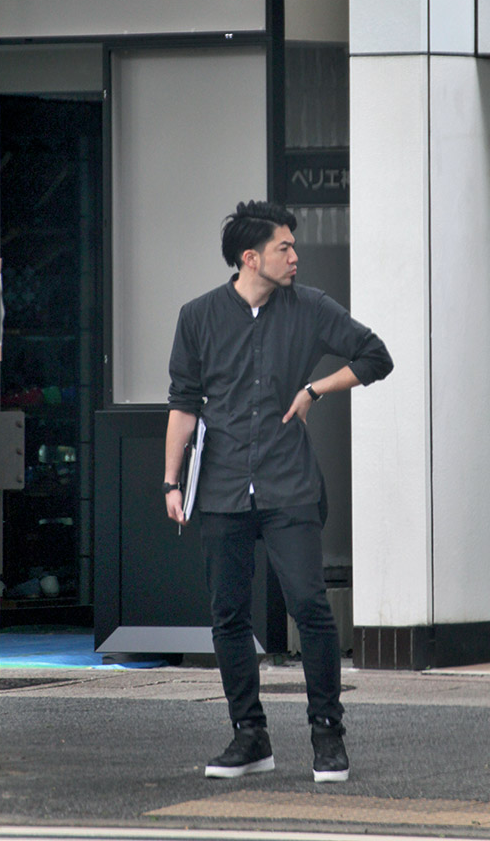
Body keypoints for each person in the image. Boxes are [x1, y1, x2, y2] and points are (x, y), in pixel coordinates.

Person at [163, 200, 393, 781]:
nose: (295, 256)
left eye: (293, 246)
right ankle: (249, 736)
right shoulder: (197, 316)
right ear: (250, 257)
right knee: (228, 615)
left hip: (290, 486)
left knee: (310, 607)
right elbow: (183, 404)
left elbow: (376, 356)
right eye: (283, 247)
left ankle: (328, 735)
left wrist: (315, 389)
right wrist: (171, 481)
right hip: (219, 489)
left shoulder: (310, 307)